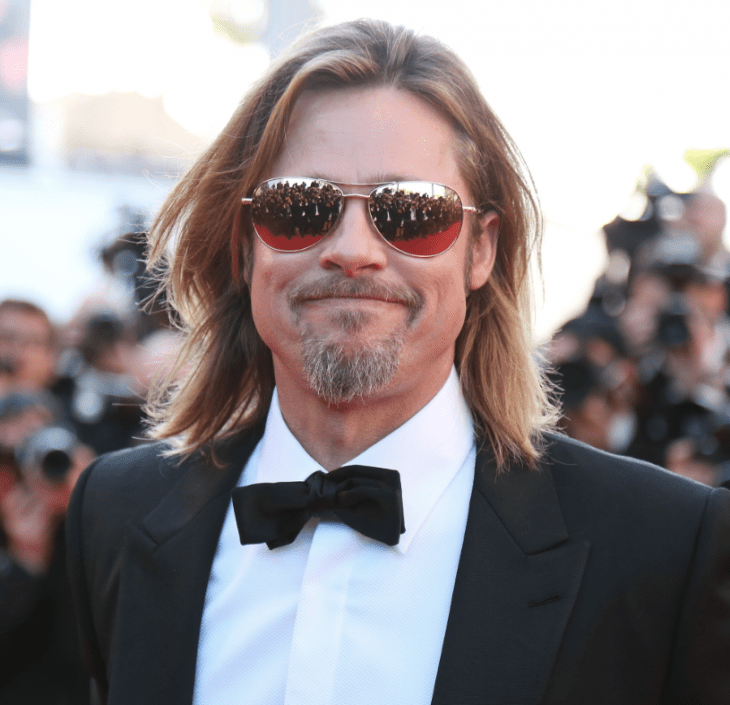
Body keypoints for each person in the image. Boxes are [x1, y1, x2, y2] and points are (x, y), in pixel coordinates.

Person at [66, 19, 730, 705]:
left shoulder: (663, 548)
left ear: (480, 250)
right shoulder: (115, 514)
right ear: (244, 245)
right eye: (301, 206)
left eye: (411, 211)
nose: (353, 248)